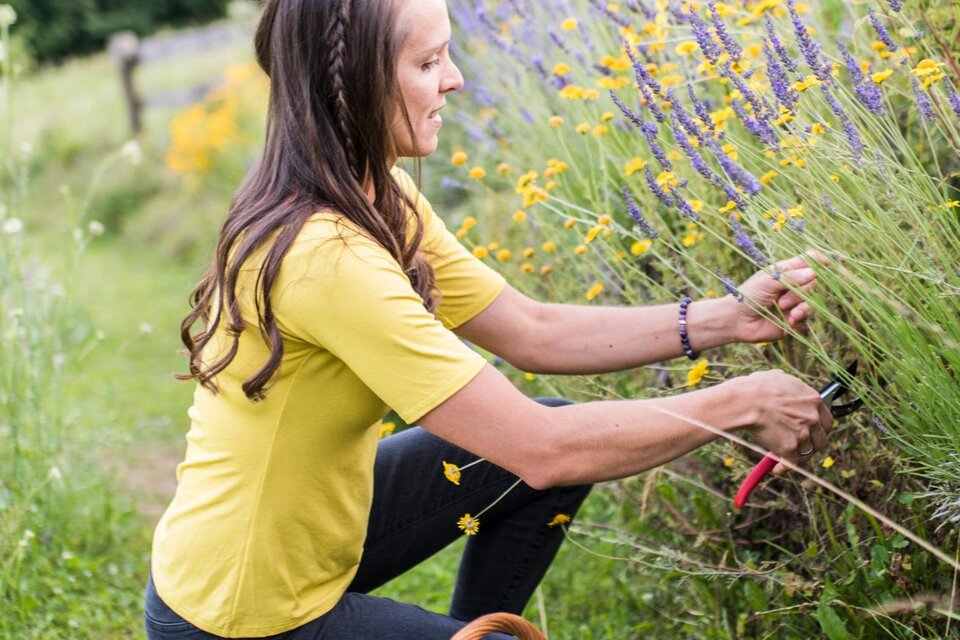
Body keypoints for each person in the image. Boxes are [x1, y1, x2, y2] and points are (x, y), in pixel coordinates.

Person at [144, 0, 833, 638]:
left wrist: (730, 317)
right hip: (243, 614)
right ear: (350, 84)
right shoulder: (328, 257)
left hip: (306, 537)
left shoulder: (371, 193)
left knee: (551, 448)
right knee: (554, 449)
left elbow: (532, 331)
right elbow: (545, 445)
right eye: (427, 62)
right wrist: (739, 402)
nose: (458, 81)